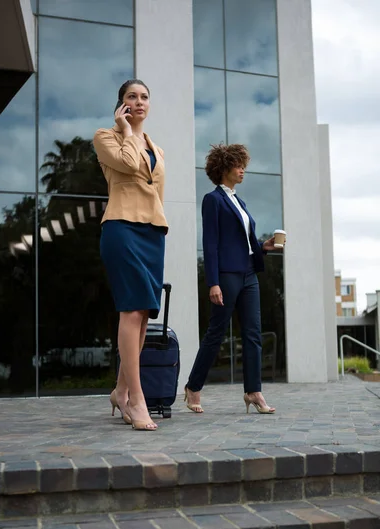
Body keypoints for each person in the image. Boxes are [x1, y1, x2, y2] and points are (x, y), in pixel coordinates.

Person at [184, 143, 283, 415]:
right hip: (226, 276)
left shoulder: (240, 202)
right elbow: (211, 243)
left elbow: (243, 241)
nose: (243, 171)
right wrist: (212, 282)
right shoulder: (213, 200)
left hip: (249, 274)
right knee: (216, 334)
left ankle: (254, 391)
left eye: (244, 166)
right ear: (224, 168)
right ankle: (193, 387)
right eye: (238, 166)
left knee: (253, 334)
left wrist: (263, 245)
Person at [93, 79, 167, 431]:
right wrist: (126, 129)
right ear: (120, 104)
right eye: (131, 97)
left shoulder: (158, 149)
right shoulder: (106, 137)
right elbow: (126, 163)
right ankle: (137, 401)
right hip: (122, 228)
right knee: (131, 309)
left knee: (144, 315)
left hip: (152, 232)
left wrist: (159, 225)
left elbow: (156, 193)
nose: (139, 102)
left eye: (144, 97)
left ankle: (121, 390)